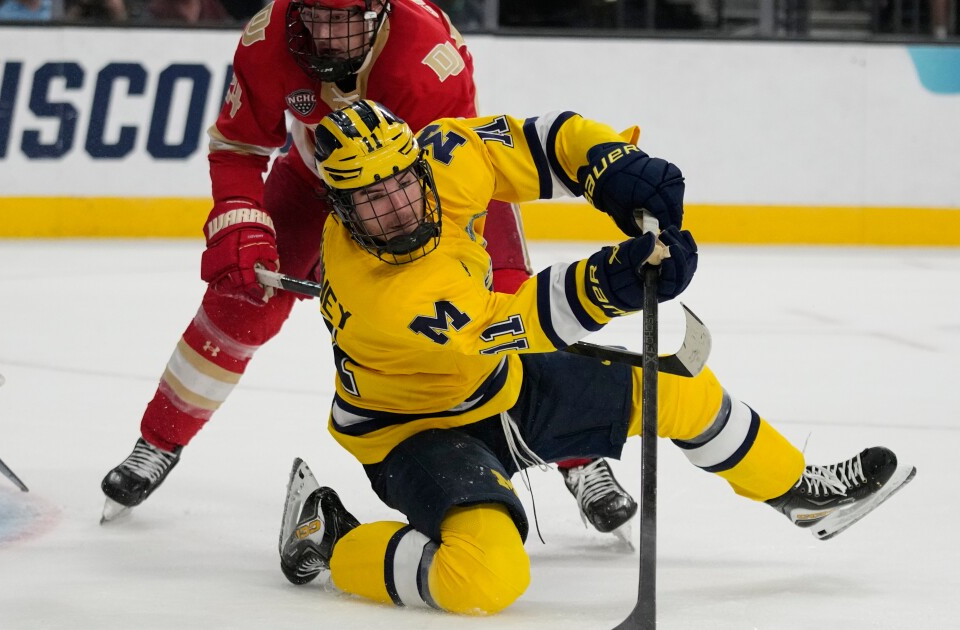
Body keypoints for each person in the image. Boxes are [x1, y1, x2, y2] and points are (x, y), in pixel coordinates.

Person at [276, 100, 917, 614]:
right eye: (370, 198)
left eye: (401, 184)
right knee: (485, 579)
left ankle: (802, 494)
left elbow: (539, 139)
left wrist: (611, 165)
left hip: (498, 383)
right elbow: (513, 323)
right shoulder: (382, 295)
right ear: (342, 206)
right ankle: (332, 538)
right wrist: (610, 279)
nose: (398, 208)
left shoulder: (442, 158)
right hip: (414, 432)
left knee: (680, 390)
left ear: (418, 165)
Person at [99, 0, 637, 535]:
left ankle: (583, 456)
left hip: (429, 190)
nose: (331, 35)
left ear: (381, 10)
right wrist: (242, 223)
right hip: (318, 182)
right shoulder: (267, 39)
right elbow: (237, 145)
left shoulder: (425, 58)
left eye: (348, 18)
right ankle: (158, 440)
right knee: (239, 301)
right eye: (317, 16)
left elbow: (450, 174)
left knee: (509, 306)